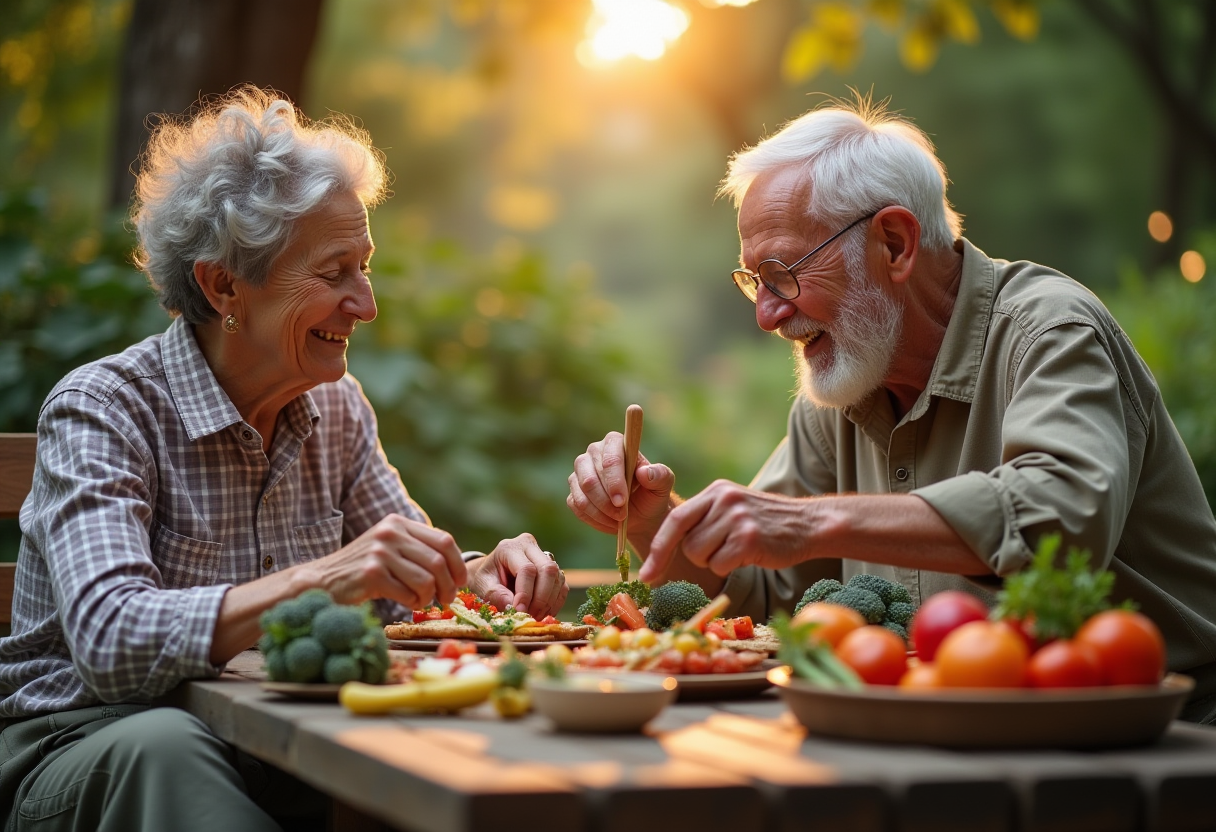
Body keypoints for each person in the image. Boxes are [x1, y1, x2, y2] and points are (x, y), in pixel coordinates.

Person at [0, 87, 568, 830]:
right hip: (89, 746)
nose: (366, 303)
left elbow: (402, 584)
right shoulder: (106, 408)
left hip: (272, 740)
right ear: (224, 284)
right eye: (334, 273)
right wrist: (324, 579)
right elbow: (111, 641)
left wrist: (476, 576)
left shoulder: (335, 407)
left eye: (364, 267)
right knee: (166, 744)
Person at [567, 96, 1216, 723]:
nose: (766, 314)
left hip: (1165, 751)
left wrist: (810, 523)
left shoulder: (1050, 328)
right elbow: (760, 598)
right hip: (953, 741)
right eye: (753, 283)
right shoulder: (842, 383)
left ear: (897, 245)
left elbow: (1060, 519)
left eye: (782, 273)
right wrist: (658, 524)